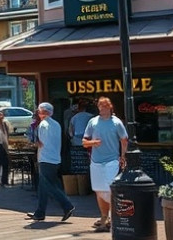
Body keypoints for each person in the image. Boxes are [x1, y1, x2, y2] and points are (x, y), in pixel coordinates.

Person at [82, 96, 128, 232]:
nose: (102, 109)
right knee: (98, 189)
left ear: (110, 107)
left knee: (110, 189)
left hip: (112, 160)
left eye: (104, 107)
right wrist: (92, 143)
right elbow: (84, 142)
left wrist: (123, 156)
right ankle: (104, 217)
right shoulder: (93, 122)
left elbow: (124, 140)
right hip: (96, 161)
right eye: (100, 107)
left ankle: (114, 218)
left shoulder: (116, 122)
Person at [26, 102, 75, 222]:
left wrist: (33, 142)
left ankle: (67, 205)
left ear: (44, 112)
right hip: (55, 158)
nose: (38, 113)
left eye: (39, 111)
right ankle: (40, 212)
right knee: (43, 187)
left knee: (48, 185)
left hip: (45, 158)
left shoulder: (43, 124)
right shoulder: (56, 124)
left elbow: (41, 143)